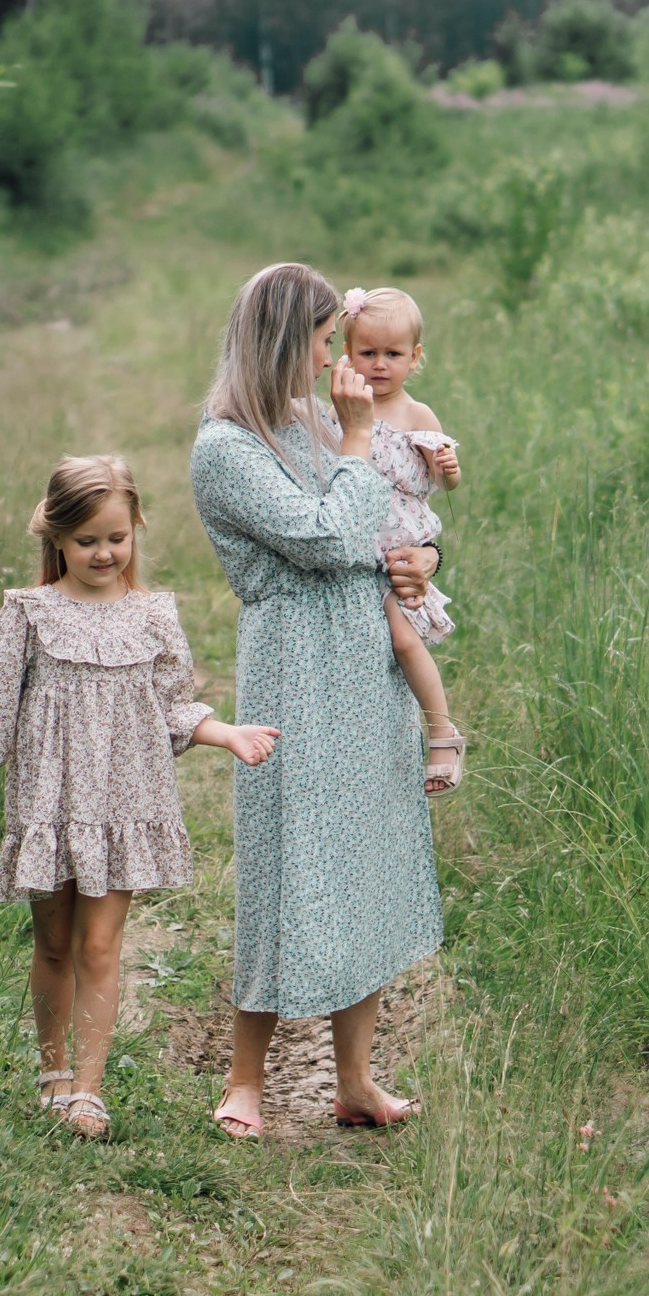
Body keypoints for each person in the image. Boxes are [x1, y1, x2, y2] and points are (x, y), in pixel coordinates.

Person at [0, 454, 281, 1139]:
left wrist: (228, 733)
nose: (104, 552)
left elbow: (174, 707)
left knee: (101, 946)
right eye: (87, 540)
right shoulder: (29, 614)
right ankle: (52, 1071)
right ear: (58, 539)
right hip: (51, 800)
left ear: (136, 531)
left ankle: (89, 1092)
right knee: (57, 943)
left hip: (124, 802)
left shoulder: (153, 616)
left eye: (117, 538)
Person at [189, 263, 444, 1139]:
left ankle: (355, 1082)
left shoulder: (317, 420)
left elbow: (392, 513)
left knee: (367, 862)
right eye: (326, 339)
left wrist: (426, 559)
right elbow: (330, 534)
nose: (341, 358)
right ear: (281, 341)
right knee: (285, 858)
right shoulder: (226, 447)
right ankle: (245, 1080)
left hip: (368, 660)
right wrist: (356, 439)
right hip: (294, 666)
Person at [340, 285, 470, 795]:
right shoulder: (342, 408)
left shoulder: (417, 416)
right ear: (345, 355)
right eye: (366, 353)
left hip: (396, 552)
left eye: (392, 354)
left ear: (414, 358)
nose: (378, 365)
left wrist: (451, 471)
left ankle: (442, 730)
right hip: (354, 547)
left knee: (401, 638)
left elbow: (443, 484)